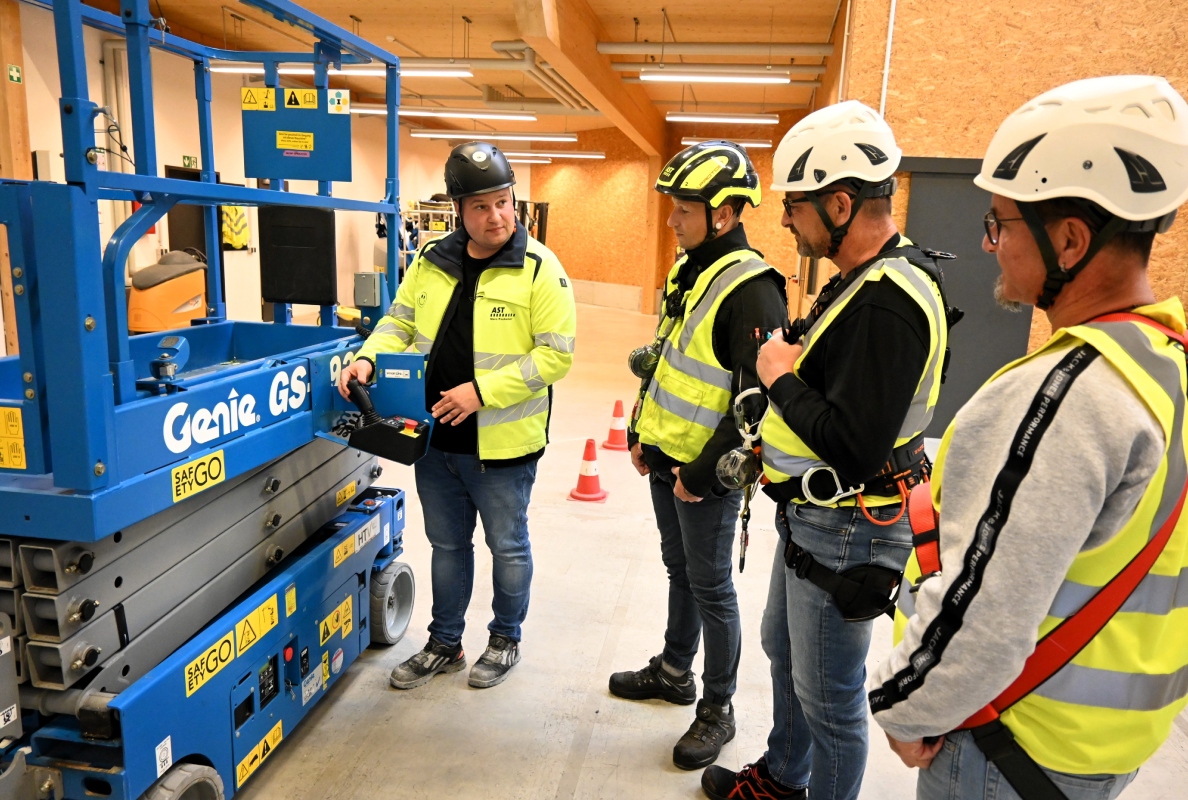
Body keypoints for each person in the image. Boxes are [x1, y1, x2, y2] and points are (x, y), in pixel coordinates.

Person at [869, 75, 1188, 800]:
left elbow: (984, 614)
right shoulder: (1168, 366)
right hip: (1102, 752)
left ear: (1070, 240)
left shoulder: (1064, 396)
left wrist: (902, 707)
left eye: (1000, 224)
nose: (990, 246)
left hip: (1007, 749)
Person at [702, 101, 954, 800]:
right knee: (784, 652)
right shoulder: (861, 280)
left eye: (795, 206)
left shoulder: (888, 301)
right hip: (814, 517)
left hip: (849, 525)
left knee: (831, 700)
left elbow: (853, 446)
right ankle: (786, 776)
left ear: (840, 204)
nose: (786, 220)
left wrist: (777, 378)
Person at [338, 141, 576, 691]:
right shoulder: (431, 260)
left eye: (503, 202)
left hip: (502, 446)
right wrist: (369, 356)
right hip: (435, 439)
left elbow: (555, 356)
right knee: (447, 547)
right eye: (481, 206)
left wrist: (481, 392)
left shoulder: (539, 268)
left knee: (507, 547)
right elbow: (398, 321)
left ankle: (505, 638)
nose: (496, 216)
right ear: (458, 210)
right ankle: (445, 643)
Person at [607, 140, 788, 770]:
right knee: (679, 571)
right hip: (667, 459)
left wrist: (706, 474)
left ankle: (717, 708)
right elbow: (666, 359)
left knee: (712, 587)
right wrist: (641, 433)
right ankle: (674, 670)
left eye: (684, 209)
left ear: (725, 214)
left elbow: (756, 401)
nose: (671, 219)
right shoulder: (690, 270)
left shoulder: (754, 290)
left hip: (704, 475)